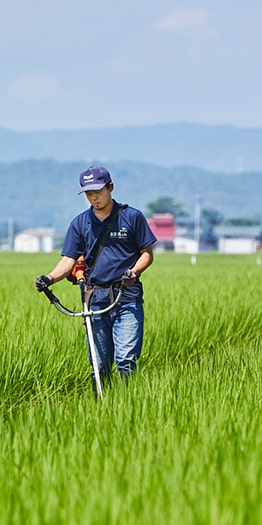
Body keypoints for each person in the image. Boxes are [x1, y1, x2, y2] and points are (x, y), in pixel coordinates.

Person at [35, 165, 156, 390]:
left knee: (126, 360)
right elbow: (69, 260)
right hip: (95, 299)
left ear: (110, 187)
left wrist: (134, 272)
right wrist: (50, 278)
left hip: (126, 296)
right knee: (99, 366)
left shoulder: (132, 217)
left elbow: (146, 254)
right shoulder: (80, 223)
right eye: (89, 193)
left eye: (98, 191)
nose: (94, 197)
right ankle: (101, 408)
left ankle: (128, 405)